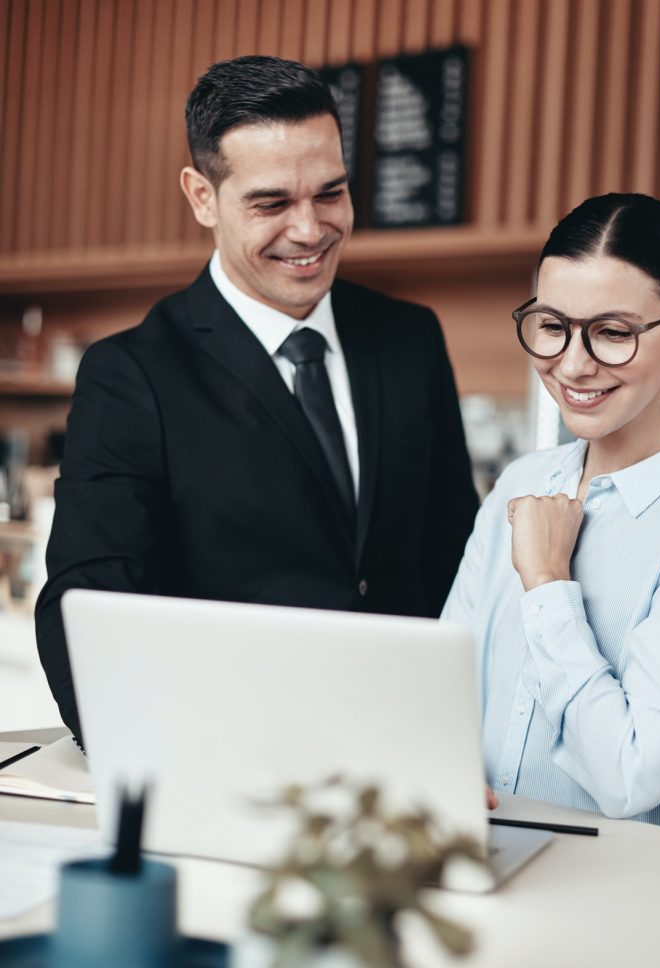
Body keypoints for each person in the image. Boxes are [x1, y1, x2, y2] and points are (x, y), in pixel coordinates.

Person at [36, 55, 478, 746]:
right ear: (202, 196)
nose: (310, 230)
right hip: (233, 758)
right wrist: (168, 760)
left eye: (330, 192)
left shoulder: (410, 338)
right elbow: (85, 606)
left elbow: (456, 557)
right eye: (272, 203)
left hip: (410, 752)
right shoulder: (132, 374)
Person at [443, 193, 660, 843]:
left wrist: (546, 584)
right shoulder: (521, 483)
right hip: (492, 869)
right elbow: (442, 684)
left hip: (652, 902)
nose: (572, 363)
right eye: (551, 325)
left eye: (613, 332)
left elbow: (629, 775)